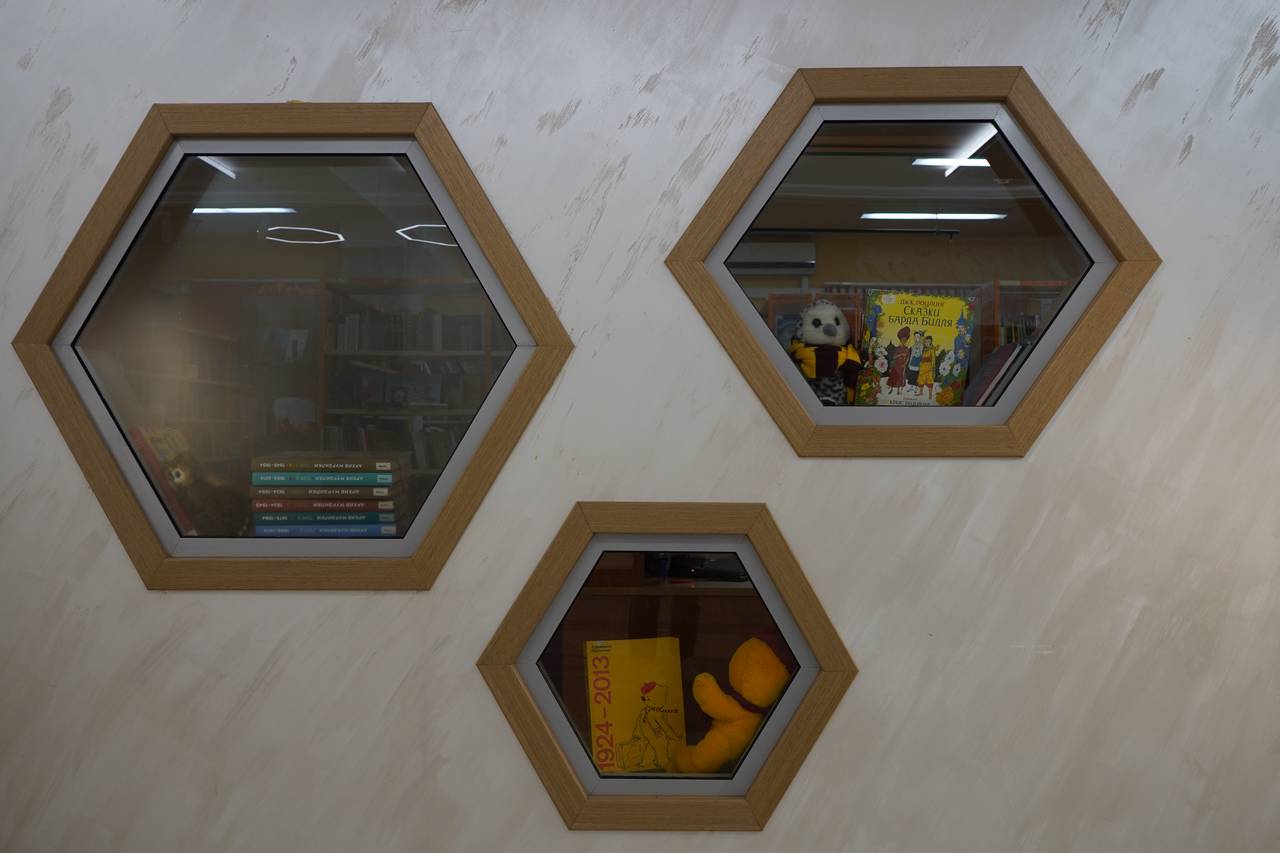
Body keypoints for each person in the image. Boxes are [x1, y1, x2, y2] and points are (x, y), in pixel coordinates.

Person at [917, 335, 937, 400]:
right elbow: (921, 358)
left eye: (929, 342)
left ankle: (930, 395)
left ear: (931, 342)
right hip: (922, 367)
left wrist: (932, 368)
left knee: (929, 381)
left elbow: (933, 359)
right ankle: (921, 392)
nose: (927, 343)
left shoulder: (932, 349)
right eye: (926, 342)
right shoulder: (924, 349)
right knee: (921, 380)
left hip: (929, 368)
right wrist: (920, 365)